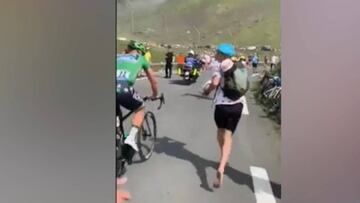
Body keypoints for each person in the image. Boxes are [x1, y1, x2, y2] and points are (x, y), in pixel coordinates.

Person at [203, 43, 247, 188]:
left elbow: (215, 83)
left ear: (221, 54)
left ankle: (222, 159)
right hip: (237, 105)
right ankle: (222, 165)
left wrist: (207, 91)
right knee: (228, 136)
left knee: (220, 133)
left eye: (217, 52)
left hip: (222, 105)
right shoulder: (239, 64)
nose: (215, 54)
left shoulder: (219, 66)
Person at [116, 40, 158, 155]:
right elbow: (153, 80)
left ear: (128, 49)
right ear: (141, 52)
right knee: (140, 108)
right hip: (123, 88)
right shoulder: (141, 58)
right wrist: (154, 94)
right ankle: (131, 138)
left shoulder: (118, 56)